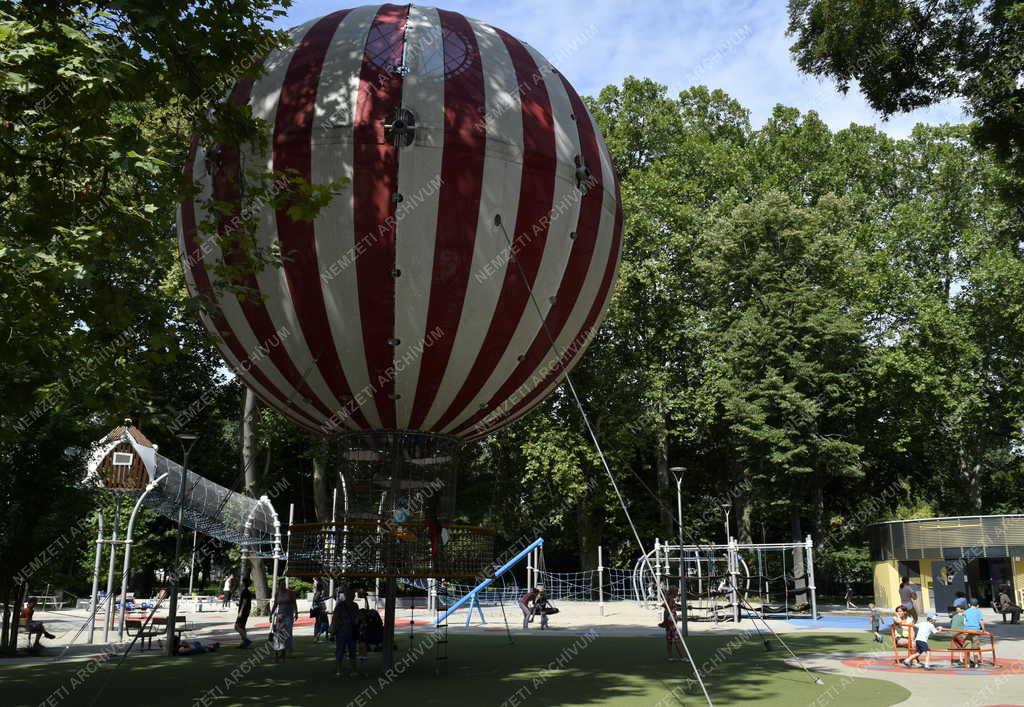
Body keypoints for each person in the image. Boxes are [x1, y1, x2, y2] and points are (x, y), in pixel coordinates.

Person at [331, 590, 361, 677]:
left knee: (351, 651)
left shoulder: (354, 605)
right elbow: (335, 618)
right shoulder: (341, 605)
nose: (353, 596)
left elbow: (356, 617)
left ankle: (351, 670)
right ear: (347, 595)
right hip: (342, 631)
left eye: (353, 595)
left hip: (350, 631)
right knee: (341, 651)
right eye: (352, 594)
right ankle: (339, 670)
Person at [271, 578, 297, 654]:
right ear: (279, 585)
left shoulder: (290, 593)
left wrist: (296, 613)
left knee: (288, 632)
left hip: (289, 614)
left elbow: (294, 603)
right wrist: (271, 614)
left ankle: (289, 649)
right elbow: (275, 604)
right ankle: (282, 649)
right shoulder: (277, 594)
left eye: (284, 584)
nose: (283, 585)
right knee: (280, 632)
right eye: (281, 584)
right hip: (280, 616)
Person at [963, 596, 986, 668]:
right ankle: (976, 663)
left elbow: (964, 621)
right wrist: (983, 629)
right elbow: (981, 621)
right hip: (975, 630)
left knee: (967, 646)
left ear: (969, 605)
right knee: (975, 647)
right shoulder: (978, 611)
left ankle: (967, 663)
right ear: (977, 605)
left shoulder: (966, 611)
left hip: (967, 630)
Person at [663, 587, 685, 662]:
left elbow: (668, 609)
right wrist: (664, 621)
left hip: (670, 622)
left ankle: (670, 657)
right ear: (673, 592)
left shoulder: (669, 599)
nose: (677, 593)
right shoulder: (671, 600)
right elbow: (666, 611)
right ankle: (682, 657)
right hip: (671, 623)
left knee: (669, 640)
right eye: (676, 592)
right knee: (677, 640)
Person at [235, 576, 253, 648]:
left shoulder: (245, 591)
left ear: (244, 583)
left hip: (244, 611)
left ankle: (245, 640)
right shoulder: (248, 591)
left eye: (242, 582)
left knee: (237, 626)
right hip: (247, 610)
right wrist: (239, 604)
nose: (242, 583)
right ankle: (244, 643)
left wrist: (241, 611)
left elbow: (245, 601)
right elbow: (245, 601)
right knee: (242, 627)